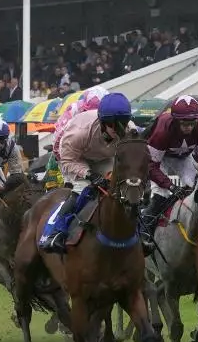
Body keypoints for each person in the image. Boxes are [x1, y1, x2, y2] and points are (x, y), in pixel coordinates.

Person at [38, 92, 132, 253]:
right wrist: (89, 175)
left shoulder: (131, 130)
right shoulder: (79, 132)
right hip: (73, 157)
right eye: (112, 124)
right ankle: (55, 232)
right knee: (84, 188)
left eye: (123, 123)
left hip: (104, 157)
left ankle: (138, 230)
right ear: (103, 122)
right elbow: (68, 160)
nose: (118, 129)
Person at [138, 96, 198, 251]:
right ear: (175, 119)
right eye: (184, 123)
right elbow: (151, 166)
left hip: (184, 158)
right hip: (159, 160)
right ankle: (144, 236)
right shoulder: (162, 132)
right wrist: (171, 186)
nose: (188, 127)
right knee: (161, 195)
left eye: (191, 123)